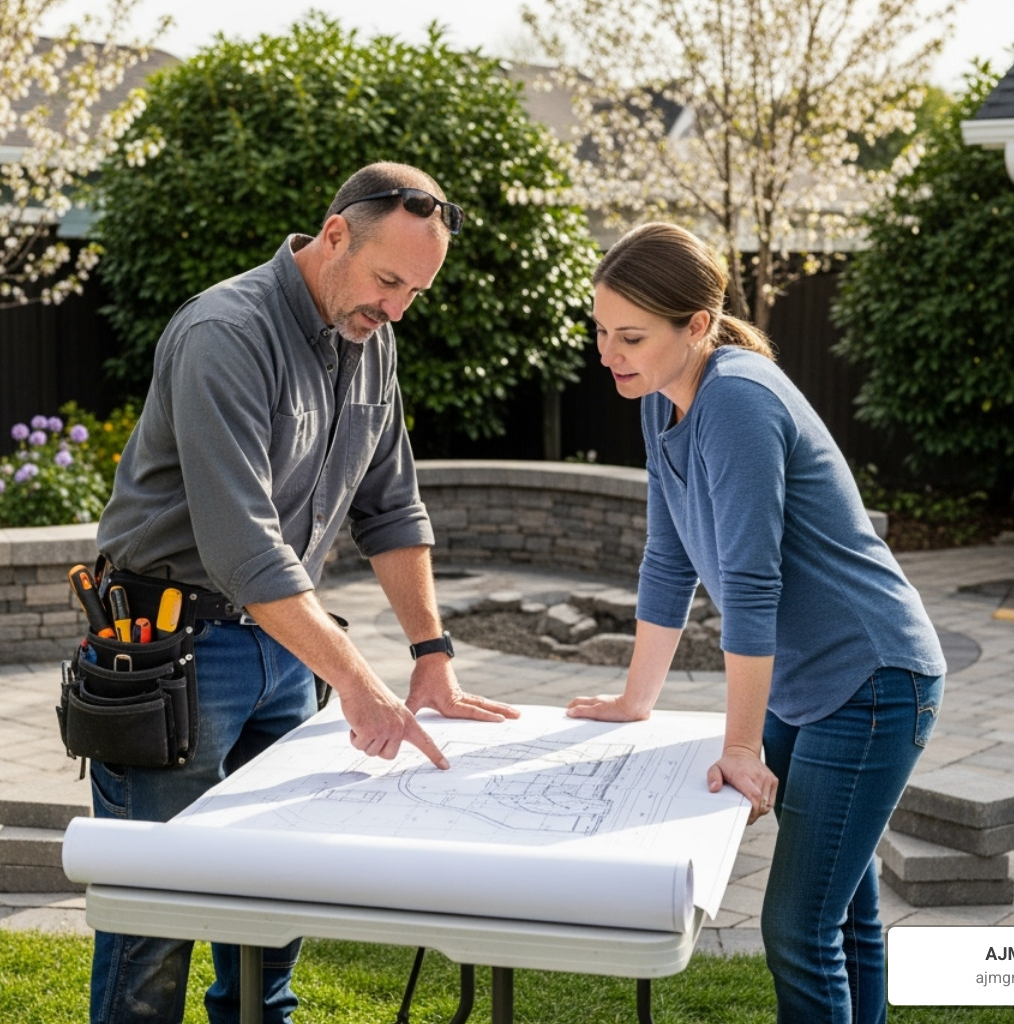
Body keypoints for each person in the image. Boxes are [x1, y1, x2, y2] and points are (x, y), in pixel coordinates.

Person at [89, 162, 519, 1024]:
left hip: (287, 652)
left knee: (274, 909)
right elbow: (243, 544)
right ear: (333, 238)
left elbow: (392, 508)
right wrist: (362, 687)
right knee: (155, 923)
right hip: (173, 653)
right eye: (388, 280)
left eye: (415, 292)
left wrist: (432, 659)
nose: (396, 307)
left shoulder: (373, 341)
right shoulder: (225, 332)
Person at [566, 222, 945, 1024]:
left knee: (798, 923)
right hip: (813, 682)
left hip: (873, 678)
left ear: (696, 325)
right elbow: (670, 560)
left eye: (630, 335)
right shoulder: (662, 395)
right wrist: (636, 701)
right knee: (847, 910)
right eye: (601, 330)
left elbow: (747, 581)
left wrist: (741, 745)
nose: (609, 352)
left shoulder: (736, 397)